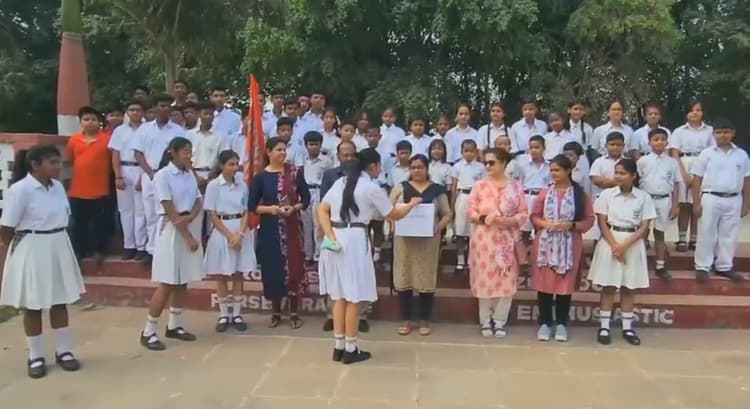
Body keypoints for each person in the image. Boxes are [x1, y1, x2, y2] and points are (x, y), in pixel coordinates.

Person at [317, 148, 422, 364]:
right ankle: (351, 348)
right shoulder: (371, 187)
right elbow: (394, 214)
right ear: (372, 165)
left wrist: (330, 235)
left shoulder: (341, 182)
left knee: (339, 296)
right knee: (354, 297)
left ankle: (338, 346)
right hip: (354, 239)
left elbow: (322, 209)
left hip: (335, 237)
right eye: (379, 165)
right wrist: (412, 204)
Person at [0, 145, 85, 378]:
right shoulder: (21, 190)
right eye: (52, 163)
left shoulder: (57, 187)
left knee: (59, 301)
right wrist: (20, 251)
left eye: (59, 162)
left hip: (58, 244)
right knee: (34, 305)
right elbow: (6, 227)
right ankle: (35, 355)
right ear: (35, 165)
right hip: (33, 246)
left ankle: (64, 351)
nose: (58, 167)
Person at [140, 137, 203, 351]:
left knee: (182, 280)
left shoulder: (189, 174)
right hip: (171, 229)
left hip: (188, 223)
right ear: (173, 152)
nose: (189, 155)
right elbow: (169, 208)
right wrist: (187, 236)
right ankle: (149, 331)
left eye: (190, 151)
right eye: (185, 151)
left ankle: (175, 325)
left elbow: (198, 200)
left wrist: (191, 217)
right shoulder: (163, 175)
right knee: (167, 282)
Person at [588, 158, 655, 346]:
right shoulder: (606, 195)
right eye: (616, 172)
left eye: (623, 173)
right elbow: (602, 222)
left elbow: (644, 226)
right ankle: (604, 327)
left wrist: (625, 246)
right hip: (610, 241)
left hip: (632, 242)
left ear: (633, 176)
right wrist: (615, 246)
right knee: (608, 286)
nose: (618, 176)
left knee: (628, 287)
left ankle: (627, 327)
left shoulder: (643, 197)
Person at [530, 154, 595, 342]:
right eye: (551, 170)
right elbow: (534, 216)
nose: (554, 173)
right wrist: (545, 224)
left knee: (564, 287)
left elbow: (589, 219)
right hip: (546, 245)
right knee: (544, 286)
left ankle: (561, 324)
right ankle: (545, 323)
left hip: (569, 245)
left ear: (568, 171)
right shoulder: (545, 193)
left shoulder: (580, 195)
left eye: (557, 170)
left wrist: (571, 225)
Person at [248, 137, 311, 329]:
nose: (283, 153)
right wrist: (271, 209)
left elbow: (306, 199)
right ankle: (275, 312)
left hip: (292, 227)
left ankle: (294, 312)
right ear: (268, 152)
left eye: (284, 149)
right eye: (278, 150)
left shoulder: (295, 172)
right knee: (273, 268)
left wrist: (294, 208)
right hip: (270, 228)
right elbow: (252, 206)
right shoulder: (261, 177)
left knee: (293, 267)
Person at [468, 148, 527, 337]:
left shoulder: (516, 187)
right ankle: (485, 320)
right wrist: (484, 218)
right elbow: (471, 211)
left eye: (492, 162)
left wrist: (511, 220)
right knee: (485, 278)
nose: (487, 166)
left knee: (506, 280)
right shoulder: (479, 186)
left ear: (503, 163)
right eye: (485, 162)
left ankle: (500, 320)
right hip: (484, 239)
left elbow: (523, 212)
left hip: (507, 239)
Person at [392, 155, 452, 336]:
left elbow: (447, 214)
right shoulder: (400, 187)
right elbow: (389, 210)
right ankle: (406, 319)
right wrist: (393, 223)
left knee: (426, 278)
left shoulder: (437, 189)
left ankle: (424, 319)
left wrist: (438, 228)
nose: (417, 170)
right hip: (404, 241)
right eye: (413, 167)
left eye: (420, 167)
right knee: (404, 277)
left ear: (427, 168)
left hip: (428, 242)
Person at [319, 141, 372, 332]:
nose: (348, 158)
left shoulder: (365, 178)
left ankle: (361, 315)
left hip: (358, 230)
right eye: (344, 155)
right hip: (335, 228)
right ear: (338, 156)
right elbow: (324, 205)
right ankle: (332, 316)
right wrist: (327, 232)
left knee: (357, 276)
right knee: (336, 278)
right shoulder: (331, 176)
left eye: (351, 155)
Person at [204, 150, 257, 332]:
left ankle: (237, 314)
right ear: (222, 165)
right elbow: (213, 215)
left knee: (238, 274)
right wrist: (229, 236)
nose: (235, 168)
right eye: (231, 164)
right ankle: (223, 314)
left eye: (236, 164)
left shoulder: (242, 185)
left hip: (240, 229)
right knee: (222, 275)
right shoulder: (213, 186)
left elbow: (246, 211)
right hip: (222, 231)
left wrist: (240, 234)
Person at [692, 119, 749, 283]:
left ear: (733, 133)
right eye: (719, 132)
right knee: (706, 232)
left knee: (729, 234)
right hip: (711, 197)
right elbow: (697, 178)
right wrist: (696, 202)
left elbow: (747, 180)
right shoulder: (707, 154)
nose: (723, 135)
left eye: (726, 132)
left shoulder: (741, 155)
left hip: (734, 198)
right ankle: (702, 266)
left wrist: (746, 203)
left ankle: (724, 266)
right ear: (714, 134)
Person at [133, 94, 185, 264]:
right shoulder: (144, 129)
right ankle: (151, 250)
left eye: (168, 106)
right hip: (150, 175)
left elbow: (183, 154)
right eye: (162, 105)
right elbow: (138, 153)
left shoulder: (178, 130)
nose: (165, 109)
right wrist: (149, 173)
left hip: (171, 176)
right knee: (150, 213)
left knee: (168, 213)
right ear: (155, 108)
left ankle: (167, 249)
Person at [67, 106, 112, 263]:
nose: (90, 122)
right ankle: (79, 251)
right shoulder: (74, 140)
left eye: (93, 119)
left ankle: (99, 250)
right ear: (80, 122)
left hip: (100, 188)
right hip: (78, 189)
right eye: (86, 119)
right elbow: (71, 159)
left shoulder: (107, 139)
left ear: (99, 122)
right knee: (79, 223)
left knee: (99, 222)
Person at [670, 100, 713, 252]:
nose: (695, 113)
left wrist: (703, 174)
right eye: (692, 110)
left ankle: (694, 239)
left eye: (698, 110)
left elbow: (713, 152)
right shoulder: (679, 131)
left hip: (704, 164)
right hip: (684, 163)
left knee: (697, 203)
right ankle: (682, 238)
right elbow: (674, 153)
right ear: (686, 113)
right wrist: (684, 174)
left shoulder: (710, 131)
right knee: (684, 205)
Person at [637, 128, 680, 280]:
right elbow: (636, 181)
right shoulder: (642, 161)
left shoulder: (672, 162)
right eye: (656, 139)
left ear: (667, 142)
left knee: (660, 233)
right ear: (649, 143)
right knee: (642, 232)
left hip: (664, 200)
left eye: (663, 139)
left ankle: (660, 266)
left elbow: (676, 184)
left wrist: (675, 205)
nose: (660, 142)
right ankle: (639, 264)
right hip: (645, 199)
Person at [109, 100, 148, 261]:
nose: (135, 113)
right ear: (127, 112)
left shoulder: (148, 129)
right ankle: (129, 245)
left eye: (138, 110)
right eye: (131, 110)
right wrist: (118, 175)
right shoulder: (119, 130)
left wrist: (143, 176)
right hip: (124, 169)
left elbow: (147, 154)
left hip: (141, 169)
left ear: (143, 112)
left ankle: (141, 246)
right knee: (125, 210)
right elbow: (115, 154)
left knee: (141, 210)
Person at [451, 139, 485, 270]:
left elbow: (484, 186)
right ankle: (460, 259)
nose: (469, 153)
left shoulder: (481, 167)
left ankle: (472, 259)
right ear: (461, 152)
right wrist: (452, 205)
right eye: (466, 151)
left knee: (473, 231)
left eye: (471, 151)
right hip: (462, 196)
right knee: (460, 231)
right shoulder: (457, 166)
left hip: (476, 198)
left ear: (476, 152)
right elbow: (454, 186)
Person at [301, 131, 334, 262]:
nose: (313, 147)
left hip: (319, 191)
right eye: (311, 144)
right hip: (306, 191)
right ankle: (307, 254)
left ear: (321, 145)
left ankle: (318, 254)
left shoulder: (326, 161)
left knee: (319, 224)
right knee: (306, 224)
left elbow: (329, 179)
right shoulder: (303, 160)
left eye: (316, 144)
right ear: (306, 145)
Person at [514, 135, 551, 247]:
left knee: (541, 228)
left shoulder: (549, 166)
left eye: (537, 147)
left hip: (543, 198)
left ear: (544, 148)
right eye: (531, 147)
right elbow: (518, 183)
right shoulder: (523, 165)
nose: (534, 150)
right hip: (527, 197)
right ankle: (524, 253)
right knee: (524, 229)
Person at [589, 132, 626, 240]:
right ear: (606, 145)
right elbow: (597, 180)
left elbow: (631, 181)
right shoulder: (599, 162)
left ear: (623, 146)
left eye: (618, 145)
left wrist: (607, 182)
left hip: (622, 199)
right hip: (602, 199)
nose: (615, 147)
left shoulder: (627, 162)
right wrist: (619, 182)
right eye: (612, 144)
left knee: (618, 228)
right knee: (600, 230)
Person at [188, 101, 221, 189]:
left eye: (211, 114)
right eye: (205, 114)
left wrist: (209, 178)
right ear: (199, 114)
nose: (209, 117)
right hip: (192, 175)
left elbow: (221, 159)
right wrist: (196, 177)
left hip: (212, 176)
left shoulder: (220, 136)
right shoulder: (189, 135)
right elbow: (186, 158)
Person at [567, 99, 595, 169]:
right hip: (565, 160)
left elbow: (590, 149)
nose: (578, 112)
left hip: (582, 161)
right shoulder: (563, 127)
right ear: (569, 110)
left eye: (581, 109)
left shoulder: (588, 129)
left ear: (584, 112)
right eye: (575, 109)